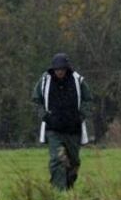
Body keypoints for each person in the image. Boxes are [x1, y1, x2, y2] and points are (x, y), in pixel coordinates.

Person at [33, 53, 94, 190]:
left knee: (74, 162)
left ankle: (68, 186)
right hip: (53, 130)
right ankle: (58, 190)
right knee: (57, 160)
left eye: (62, 69)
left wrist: (81, 115)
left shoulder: (78, 81)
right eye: (57, 69)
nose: (59, 71)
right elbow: (36, 100)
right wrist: (44, 116)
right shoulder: (44, 81)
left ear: (67, 68)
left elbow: (88, 100)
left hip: (73, 130)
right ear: (53, 69)